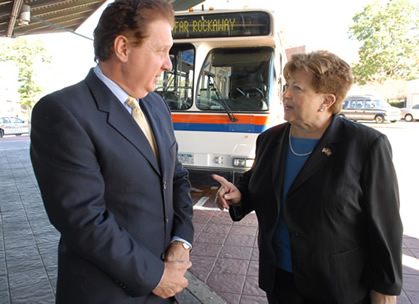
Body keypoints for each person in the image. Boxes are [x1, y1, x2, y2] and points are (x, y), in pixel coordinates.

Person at [30, 0, 194, 303]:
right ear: (122, 48)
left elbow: (178, 178)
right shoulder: (62, 112)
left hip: (164, 288)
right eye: (160, 51)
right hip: (106, 293)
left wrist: (181, 242)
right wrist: (155, 276)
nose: (169, 64)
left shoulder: (156, 106)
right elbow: (83, 219)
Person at [213, 50, 402, 304]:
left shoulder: (365, 145)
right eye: (287, 85)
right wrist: (239, 194)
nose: (286, 94)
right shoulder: (270, 140)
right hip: (280, 281)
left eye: (298, 88)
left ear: (326, 100)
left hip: (336, 286)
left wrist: (384, 290)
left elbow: (384, 224)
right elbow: (259, 182)